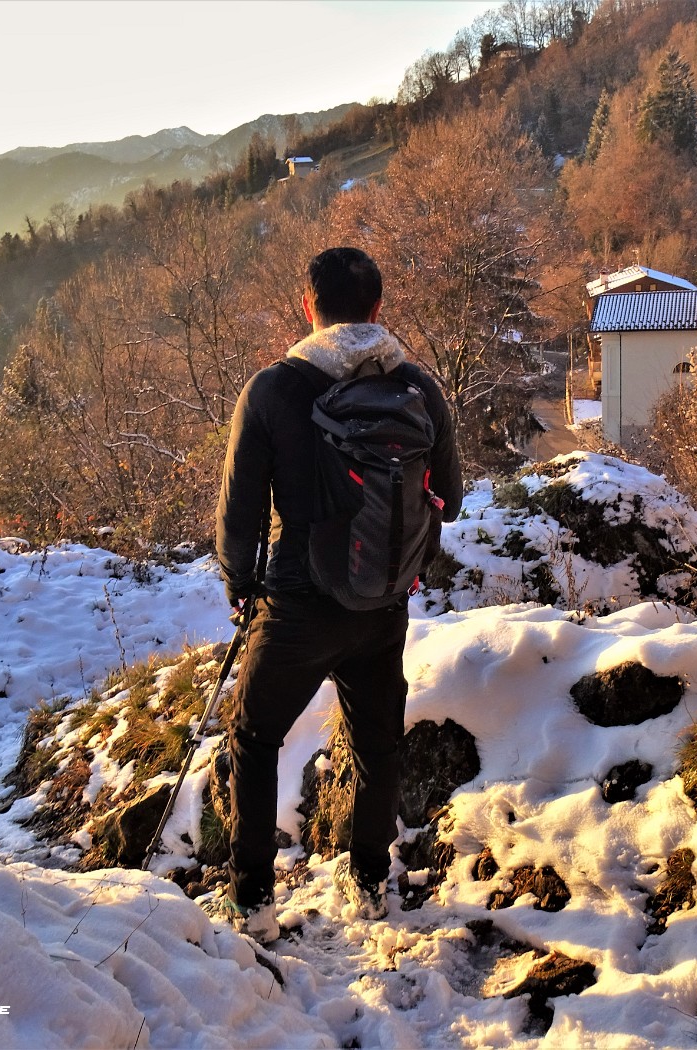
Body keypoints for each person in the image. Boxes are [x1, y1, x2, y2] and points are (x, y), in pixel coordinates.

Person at [215, 246, 463, 943]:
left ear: (308, 307)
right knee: (377, 744)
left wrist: (241, 588)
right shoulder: (417, 387)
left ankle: (253, 902)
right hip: (382, 602)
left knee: (256, 737)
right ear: (379, 310)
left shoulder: (273, 389)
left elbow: (238, 516)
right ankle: (369, 885)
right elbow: (453, 500)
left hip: (296, 605)